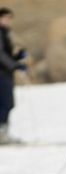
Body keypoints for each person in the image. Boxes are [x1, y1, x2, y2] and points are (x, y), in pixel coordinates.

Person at [0, 7, 27, 145]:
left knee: (6, 103)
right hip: (2, 74)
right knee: (6, 103)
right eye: (6, 18)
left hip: (6, 73)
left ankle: (3, 133)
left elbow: (7, 55)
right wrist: (16, 65)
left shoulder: (5, 33)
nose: (8, 21)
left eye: (10, 18)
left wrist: (18, 57)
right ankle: (2, 135)